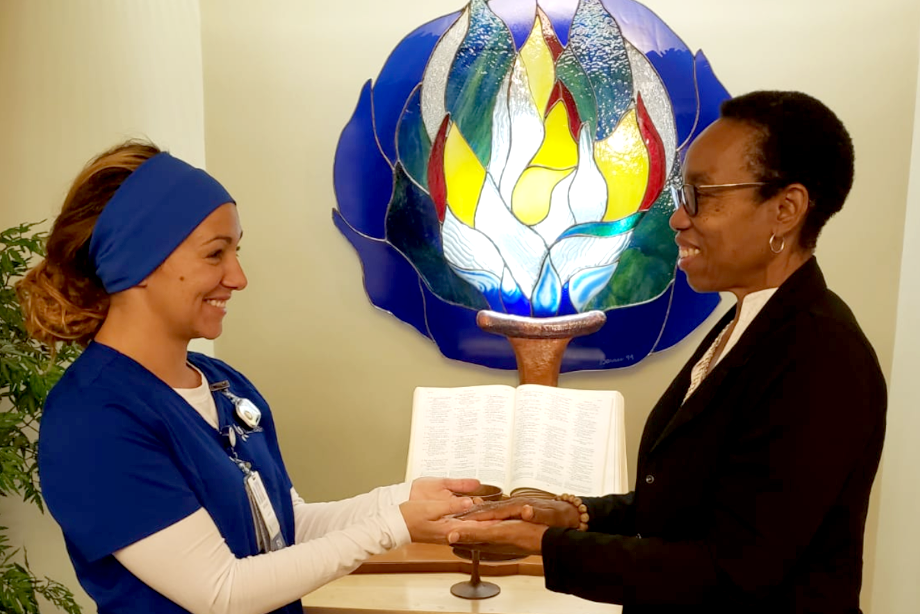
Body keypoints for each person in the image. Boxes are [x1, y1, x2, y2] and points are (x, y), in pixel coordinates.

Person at [449, 91, 887, 613]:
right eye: (682, 195)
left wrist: (546, 548)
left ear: (785, 210)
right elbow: (690, 502)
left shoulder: (820, 355)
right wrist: (575, 514)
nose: (679, 219)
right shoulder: (751, 321)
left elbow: (732, 570)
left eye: (702, 196)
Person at [17, 142, 479, 614]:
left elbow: (286, 526)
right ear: (137, 262)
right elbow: (222, 592)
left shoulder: (223, 384)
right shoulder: (94, 419)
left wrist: (403, 499)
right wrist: (395, 526)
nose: (238, 277)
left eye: (235, 251)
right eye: (215, 254)